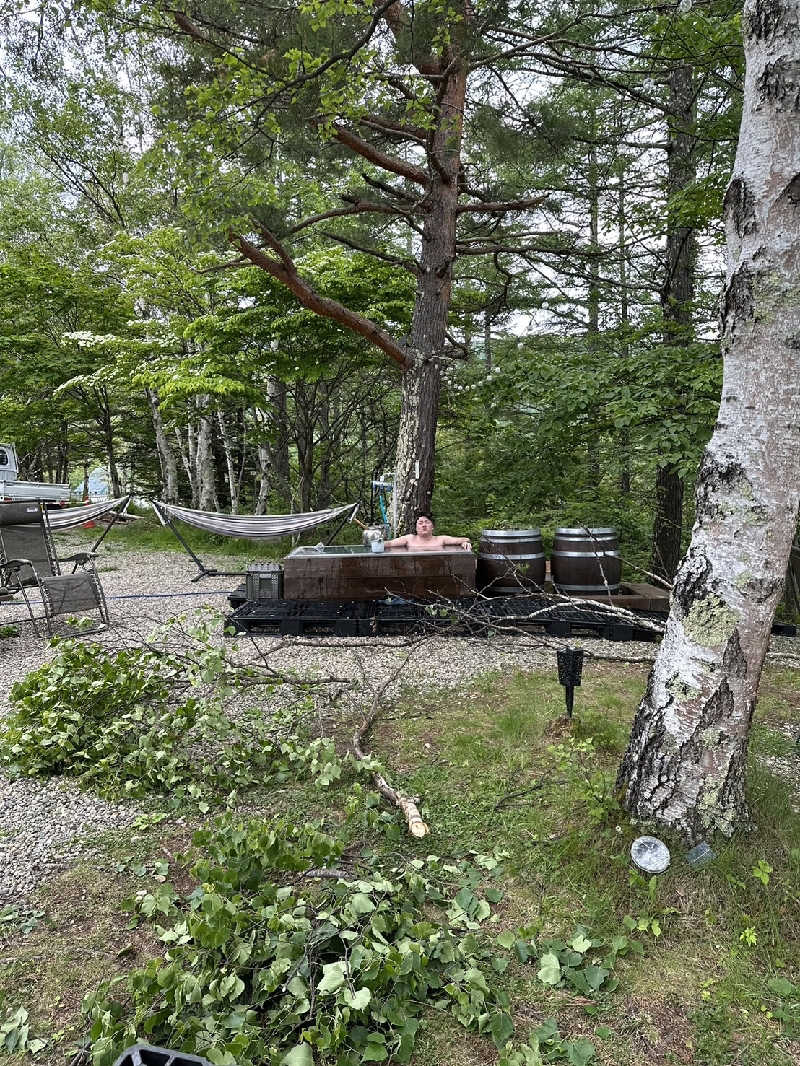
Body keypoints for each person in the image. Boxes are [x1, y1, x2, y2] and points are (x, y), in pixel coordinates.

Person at [384, 512, 471, 551]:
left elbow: (465, 539)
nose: (424, 525)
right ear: (416, 527)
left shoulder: (441, 540)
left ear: (432, 526)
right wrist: (374, 543)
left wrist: (464, 543)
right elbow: (389, 544)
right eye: (420, 523)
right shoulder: (409, 539)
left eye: (427, 522)